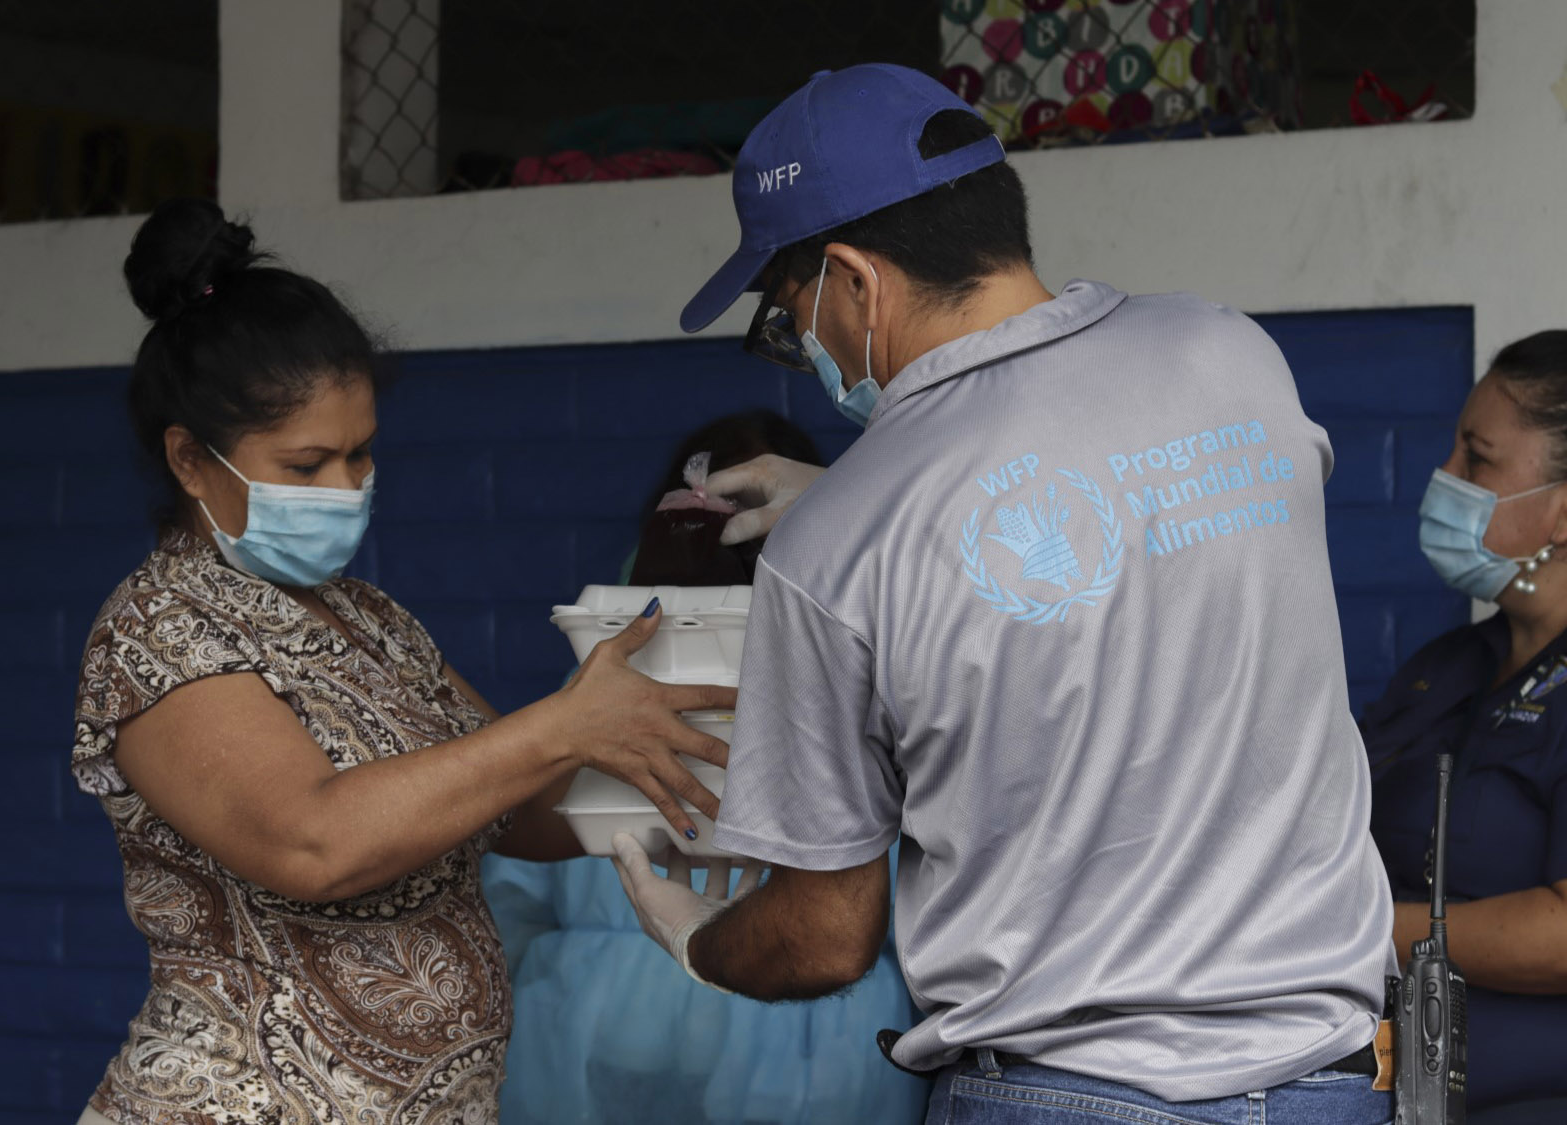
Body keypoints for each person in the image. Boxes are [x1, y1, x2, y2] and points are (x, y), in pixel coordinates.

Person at [608, 64, 1397, 1123]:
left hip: (1063, 1097)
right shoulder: (1228, 353)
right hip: (1323, 1085)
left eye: (786, 316)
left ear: (852, 280)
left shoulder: (840, 548)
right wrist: (874, 496)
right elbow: (1127, 513)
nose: (803, 352)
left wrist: (695, 940)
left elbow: (821, 937)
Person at [69, 199, 736, 1125]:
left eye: (361, 454)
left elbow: (517, 807)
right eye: (306, 466)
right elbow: (314, 844)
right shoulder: (159, 631)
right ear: (190, 458)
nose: (347, 489)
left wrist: (685, 763)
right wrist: (561, 723)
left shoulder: (367, 618)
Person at [483, 410, 930, 1124]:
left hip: (814, 1068)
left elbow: (907, 916)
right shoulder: (582, 710)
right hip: (586, 1067)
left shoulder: (868, 706)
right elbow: (509, 892)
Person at [1360, 330, 1567, 1124]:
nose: (1443, 477)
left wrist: (1375, 930)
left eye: (1477, 460)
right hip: (1401, 1098)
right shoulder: (1444, 664)